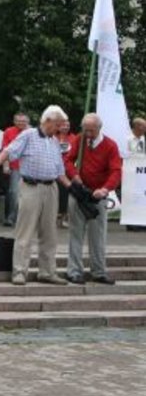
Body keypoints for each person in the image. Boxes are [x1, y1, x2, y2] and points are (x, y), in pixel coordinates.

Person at [0, 105, 72, 286]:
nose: (60, 128)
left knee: (50, 234)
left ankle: (48, 272)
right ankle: (19, 271)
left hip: (51, 188)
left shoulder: (55, 141)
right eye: (58, 124)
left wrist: (71, 186)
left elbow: (60, 170)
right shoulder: (29, 134)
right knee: (25, 232)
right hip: (31, 186)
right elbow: (10, 150)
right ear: (48, 121)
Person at [63, 113, 122, 285]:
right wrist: (74, 175)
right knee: (76, 233)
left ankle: (99, 271)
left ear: (99, 128)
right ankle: (74, 271)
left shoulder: (110, 145)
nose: (88, 134)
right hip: (79, 192)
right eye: (85, 130)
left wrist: (105, 189)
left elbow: (116, 171)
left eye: (91, 131)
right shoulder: (80, 140)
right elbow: (67, 161)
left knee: (98, 235)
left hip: (98, 194)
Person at [1, 113, 31, 227]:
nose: (21, 123)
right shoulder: (8, 131)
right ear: (14, 121)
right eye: (18, 121)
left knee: (28, 194)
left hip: (30, 167)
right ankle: (11, 217)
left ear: (27, 122)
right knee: (13, 192)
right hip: (15, 166)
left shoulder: (32, 132)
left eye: (23, 121)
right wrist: (5, 164)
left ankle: (24, 219)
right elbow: (5, 149)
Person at [54, 118, 76, 228]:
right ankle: (53, 218)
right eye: (63, 125)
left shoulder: (74, 138)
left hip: (67, 170)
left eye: (68, 125)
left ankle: (64, 218)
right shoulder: (53, 137)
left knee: (66, 194)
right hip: (54, 169)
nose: (66, 127)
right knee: (55, 194)